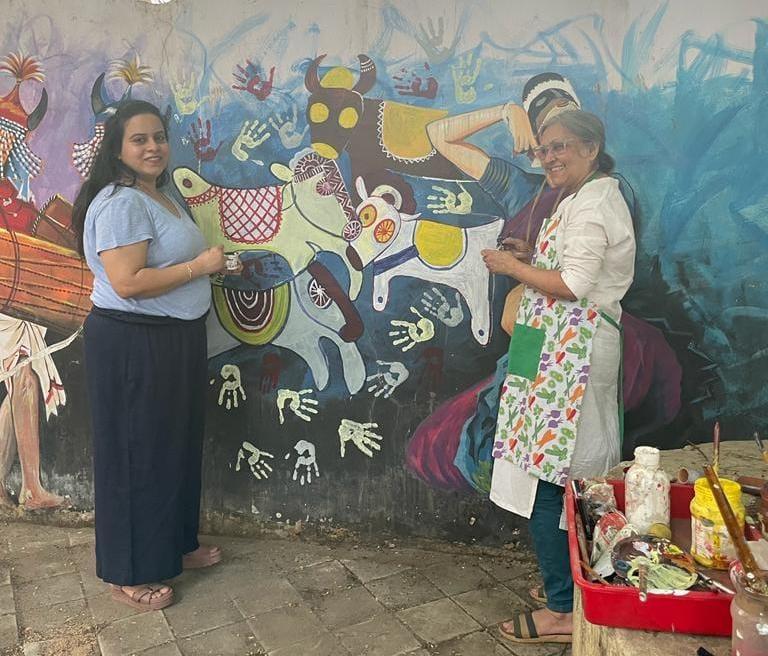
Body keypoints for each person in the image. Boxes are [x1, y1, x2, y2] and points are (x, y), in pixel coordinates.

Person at [431, 103, 635, 643]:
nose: (548, 157)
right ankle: (567, 584)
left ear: (592, 149)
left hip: (571, 361)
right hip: (553, 357)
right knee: (549, 472)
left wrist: (512, 267)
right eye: (543, 149)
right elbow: (570, 267)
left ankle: (565, 610)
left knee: (551, 477)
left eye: (560, 146)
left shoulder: (593, 205)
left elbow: (573, 284)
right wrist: (531, 252)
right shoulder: (582, 198)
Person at [72, 99, 230, 610]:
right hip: (132, 342)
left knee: (173, 448)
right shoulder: (121, 202)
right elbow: (127, 281)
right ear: (117, 149)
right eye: (139, 139)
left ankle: (172, 546)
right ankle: (130, 572)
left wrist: (203, 268)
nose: (154, 147)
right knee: (136, 455)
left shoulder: (157, 195)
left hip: (169, 340)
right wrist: (200, 267)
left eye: (159, 136)